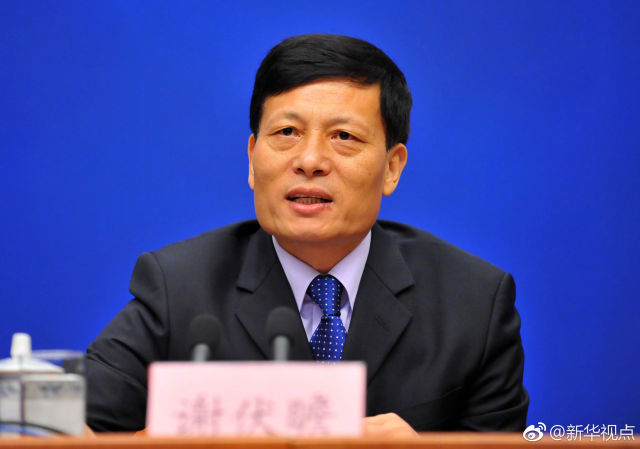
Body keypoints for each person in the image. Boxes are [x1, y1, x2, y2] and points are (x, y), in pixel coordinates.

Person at [86, 34, 528, 435]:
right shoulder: (179, 288)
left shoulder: (474, 304)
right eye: (287, 133)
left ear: (392, 167)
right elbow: (66, 431)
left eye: (343, 136)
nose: (310, 160)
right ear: (252, 158)